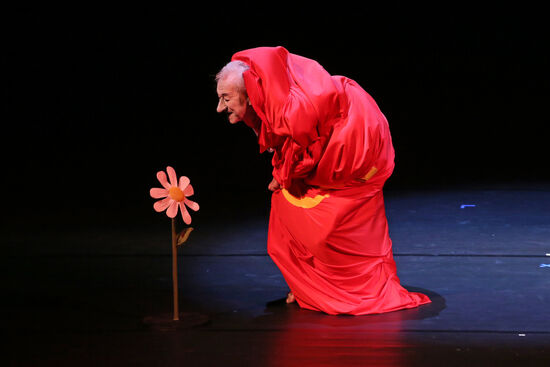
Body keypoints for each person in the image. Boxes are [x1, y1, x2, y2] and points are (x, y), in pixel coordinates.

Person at [215, 46, 430, 315]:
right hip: (349, 142)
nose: (220, 107)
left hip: (357, 151)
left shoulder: (288, 109)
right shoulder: (273, 90)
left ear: (250, 94)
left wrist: (282, 175)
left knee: (306, 217)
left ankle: (339, 289)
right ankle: (311, 284)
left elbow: (303, 139)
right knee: (289, 209)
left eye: (226, 98)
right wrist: (283, 173)